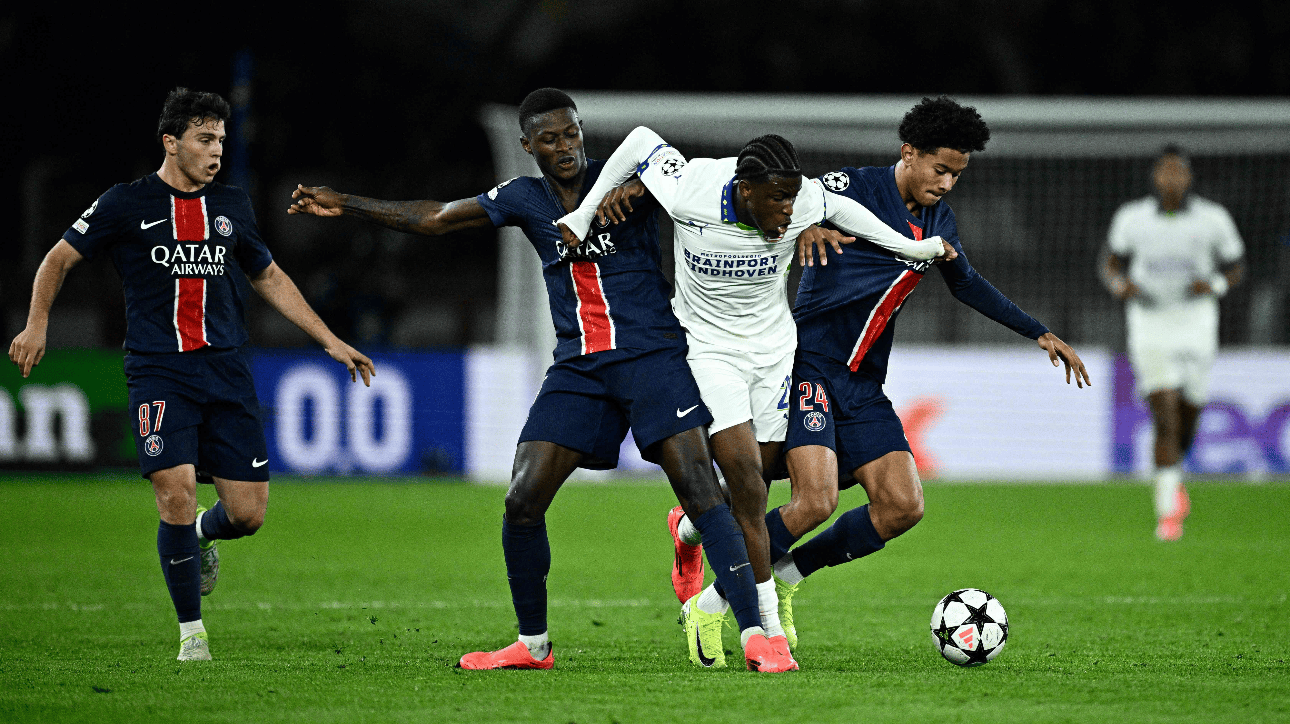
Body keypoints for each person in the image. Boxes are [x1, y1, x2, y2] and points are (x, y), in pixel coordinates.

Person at [288, 88, 796, 672]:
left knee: (703, 494)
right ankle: (533, 646)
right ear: (527, 145)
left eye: (572, 134)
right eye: (550, 139)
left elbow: (721, 181)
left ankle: (757, 636)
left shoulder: (629, 178)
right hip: (579, 368)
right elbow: (435, 218)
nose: (566, 147)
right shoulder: (523, 198)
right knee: (522, 499)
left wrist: (798, 216)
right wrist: (345, 202)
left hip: (653, 356)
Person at [651, 95, 1090, 650]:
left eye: (957, 174)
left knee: (902, 505)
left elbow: (967, 282)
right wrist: (804, 227)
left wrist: (1038, 332)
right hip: (808, 364)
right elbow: (790, 197)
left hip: (862, 384)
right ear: (909, 152)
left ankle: (776, 574)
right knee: (810, 499)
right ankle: (714, 602)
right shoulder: (851, 186)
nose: (947, 183)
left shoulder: (938, 221)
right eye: (941, 169)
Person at [557, 125, 952, 668]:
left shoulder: (798, 197)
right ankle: (759, 626)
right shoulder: (693, 186)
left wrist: (910, 248)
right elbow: (640, 142)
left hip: (773, 352)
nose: (790, 212)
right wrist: (587, 211)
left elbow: (843, 210)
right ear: (745, 189)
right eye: (778, 200)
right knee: (747, 484)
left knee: (761, 477)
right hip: (709, 350)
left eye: (795, 199)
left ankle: (692, 526)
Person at [7, 88, 375, 662]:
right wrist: (37, 326)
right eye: (205, 140)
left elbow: (268, 275)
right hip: (159, 372)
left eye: (222, 141)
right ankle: (192, 637)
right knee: (173, 493)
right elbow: (58, 258)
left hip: (227, 371)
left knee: (249, 515)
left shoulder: (232, 204)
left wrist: (329, 340)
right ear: (170, 142)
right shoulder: (125, 203)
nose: (216, 151)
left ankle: (202, 535)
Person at [1102, 145, 1244, 541]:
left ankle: (1173, 478)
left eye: (1177, 172)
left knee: (1187, 419)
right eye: (1164, 172)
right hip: (1149, 322)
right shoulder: (1132, 218)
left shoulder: (1213, 219)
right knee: (1164, 416)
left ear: (1188, 177)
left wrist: (1214, 284)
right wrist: (1119, 284)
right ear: (1155, 177)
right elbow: (1111, 262)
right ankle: (1168, 513)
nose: (1171, 179)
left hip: (1197, 322)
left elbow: (1235, 265)